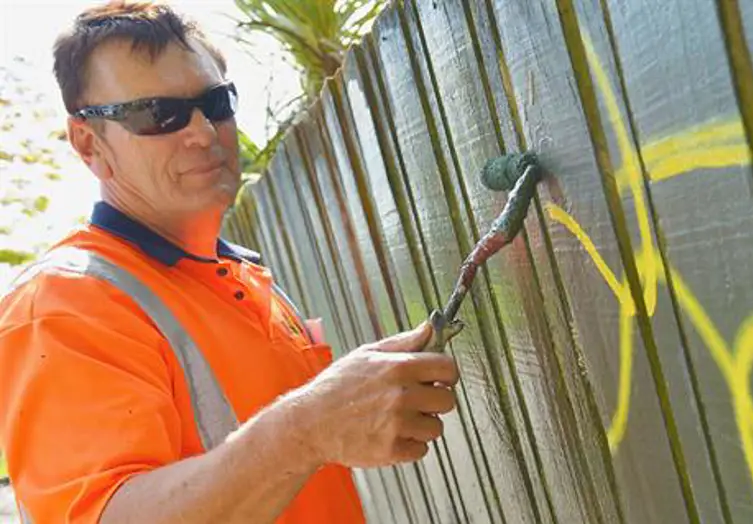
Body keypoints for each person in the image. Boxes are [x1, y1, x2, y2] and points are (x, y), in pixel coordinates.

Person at [0, 2, 461, 522]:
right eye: (158, 115)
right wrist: (305, 430)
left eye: (215, 103)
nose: (202, 132)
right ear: (88, 142)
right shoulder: (65, 301)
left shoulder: (239, 276)